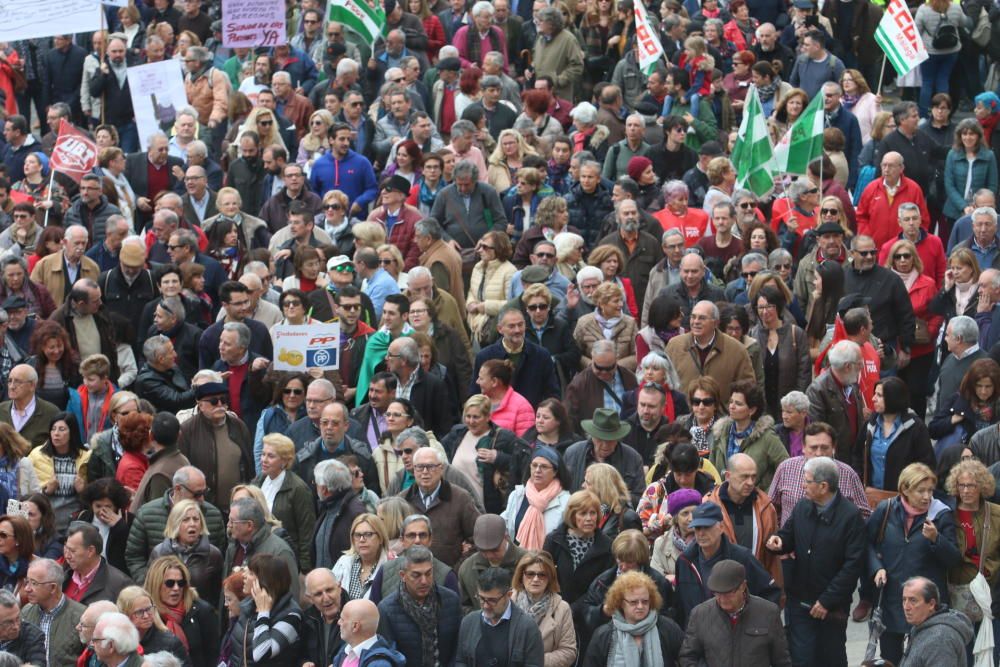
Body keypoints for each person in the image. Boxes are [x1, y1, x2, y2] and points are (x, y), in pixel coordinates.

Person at [764, 456, 866, 666]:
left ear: (823, 486)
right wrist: (778, 542)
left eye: (807, 481)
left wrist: (826, 601)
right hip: (800, 598)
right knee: (801, 657)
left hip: (832, 606)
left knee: (831, 656)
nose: (802, 485)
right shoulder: (802, 507)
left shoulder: (850, 517)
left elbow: (852, 566)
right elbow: (788, 536)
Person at [867, 463, 962, 664]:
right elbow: (866, 544)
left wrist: (937, 539)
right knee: (889, 658)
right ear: (905, 490)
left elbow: (953, 559)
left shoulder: (941, 515)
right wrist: (877, 567)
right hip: (893, 599)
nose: (927, 496)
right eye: (921, 491)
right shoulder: (886, 510)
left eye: (930, 490)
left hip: (926, 604)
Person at [677, 559, 791, 666]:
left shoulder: (769, 613)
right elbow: (687, 657)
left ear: (743, 586)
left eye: (728, 593)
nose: (722, 599)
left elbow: (782, 662)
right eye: (717, 593)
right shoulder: (699, 615)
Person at [125, 466, 227, 584]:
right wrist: (151, 585)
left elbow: (220, 559)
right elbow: (134, 556)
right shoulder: (147, 513)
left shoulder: (213, 514)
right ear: (178, 489)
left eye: (205, 492)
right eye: (197, 494)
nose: (202, 499)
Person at [376, 544, 461, 667]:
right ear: (403, 576)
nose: (424, 581)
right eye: (416, 575)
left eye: (428, 573)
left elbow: (458, 649)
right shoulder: (387, 610)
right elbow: (389, 656)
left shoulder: (450, 600)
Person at [580, 570, 683, 667]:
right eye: (633, 602)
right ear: (620, 603)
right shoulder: (603, 635)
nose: (640, 606)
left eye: (645, 601)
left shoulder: (668, 629)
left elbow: (686, 659)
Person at [454, 566, 545, 667]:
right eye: (481, 598)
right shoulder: (468, 622)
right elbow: (460, 660)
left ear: (509, 595)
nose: (485, 605)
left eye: (492, 600)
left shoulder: (527, 627)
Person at [857, 378, 935, 495]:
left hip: (903, 499)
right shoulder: (870, 424)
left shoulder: (916, 428)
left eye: (879, 395)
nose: (873, 399)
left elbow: (926, 465)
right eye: (874, 394)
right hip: (871, 497)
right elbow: (857, 457)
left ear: (893, 398)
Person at [708, 380, 787, 492]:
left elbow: (786, 469)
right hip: (722, 500)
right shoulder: (720, 432)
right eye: (731, 402)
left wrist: (766, 493)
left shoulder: (768, 437)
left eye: (738, 404)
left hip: (754, 502)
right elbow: (711, 471)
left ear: (752, 410)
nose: (732, 406)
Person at [252, 433, 316, 571]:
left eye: (271, 456)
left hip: (284, 558)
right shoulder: (258, 481)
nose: (264, 459)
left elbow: (307, 532)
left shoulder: (298, 488)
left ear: (285, 461)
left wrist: (305, 569)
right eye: (263, 454)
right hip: (258, 554)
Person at [541, 490, 614, 605]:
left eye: (593, 513)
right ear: (572, 515)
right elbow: (544, 576)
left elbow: (602, 588)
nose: (589, 518)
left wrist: (575, 609)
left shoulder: (606, 546)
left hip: (588, 612)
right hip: (555, 607)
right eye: (583, 513)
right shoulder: (554, 540)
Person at [147, 500, 224, 606]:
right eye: (186, 520)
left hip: (200, 616)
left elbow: (217, 595)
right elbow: (151, 590)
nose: (192, 524)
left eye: (196, 519)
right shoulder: (159, 553)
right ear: (175, 523)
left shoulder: (213, 554)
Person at [232, 553, 302, 666]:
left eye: (250, 573)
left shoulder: (291, 615)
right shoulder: (247, 606)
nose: (243, 575)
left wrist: (263, 612)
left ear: (265, 580)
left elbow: (261, 654)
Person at [807, 340, 867, 470]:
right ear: (847, 366)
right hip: (833, 463)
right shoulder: (818, 389)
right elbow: (817, 431)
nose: (862, 367)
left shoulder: (851, 383)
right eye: (859, 364)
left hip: (854, 459)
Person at [20, 557, 86, 667]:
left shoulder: (81, 617)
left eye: (34, 583)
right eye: (27, 582)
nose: (27, 588)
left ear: (52, 588)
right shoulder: (26, 612)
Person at [898, 577, 975, 667]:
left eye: (913, 600)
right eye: (904, 600)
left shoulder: (940, 639)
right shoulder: (921, 626)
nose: (906, 607)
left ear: (931, 604)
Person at [311, 458, 367, 571]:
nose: (314, 487)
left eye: (315, 483)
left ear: (324, 489)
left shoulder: (355, 513)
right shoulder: (327, 507)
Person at [116, 585, 191, 665]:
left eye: (149, 609)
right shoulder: (117, 643)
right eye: (139, 612)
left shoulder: (170, 643)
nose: (146, 616)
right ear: (125, 615)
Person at [62, 522, 133, 605]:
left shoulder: (120, 585)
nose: (67, 556)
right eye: (66, 548)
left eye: (72, 551)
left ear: (90, 551)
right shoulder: (62, 575)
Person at [330, 512, 391, 602]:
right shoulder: (343, 563)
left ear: (380, 538)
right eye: (357, 535)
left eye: (368, 534)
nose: (362, 540)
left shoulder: (391, 566)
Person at [333, 598, 406, 667]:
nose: (338, 622)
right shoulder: (346, 650)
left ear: (355, 626)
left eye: (342, 619)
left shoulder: (379, 664)